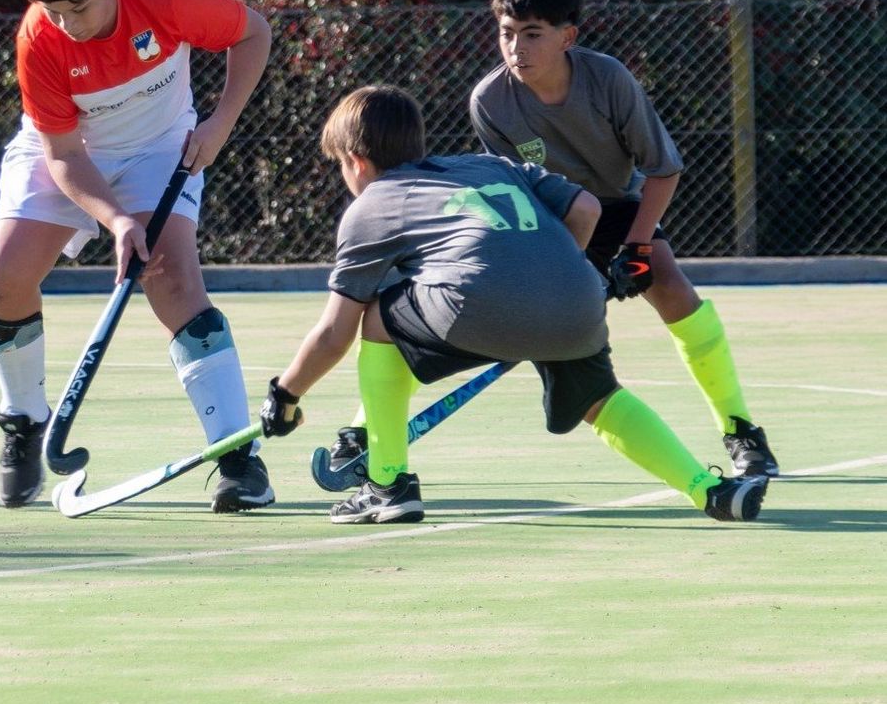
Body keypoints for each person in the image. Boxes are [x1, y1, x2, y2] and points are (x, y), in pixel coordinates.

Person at [258, 86, 768, 525]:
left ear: (357, 163)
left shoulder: (371, 205)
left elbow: (334, 333)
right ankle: (710, 491)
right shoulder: (489, 164)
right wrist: (550, 281)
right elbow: (586, 207)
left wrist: (285, 396)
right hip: (576, 299)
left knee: (377, 320)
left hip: (469, 311)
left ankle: (389, 485)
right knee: (602, 401)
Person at [0, 0, 274, 513]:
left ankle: (238, 460)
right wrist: (116, 220)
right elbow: (62, 155)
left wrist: (220, 123)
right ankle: (25, 420)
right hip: (68, 149)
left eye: (78, 10)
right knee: (6, 278)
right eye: (54, 13)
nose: (66, 24)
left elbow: (254, 32)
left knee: (173, 277)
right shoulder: (40, 37)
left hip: (156, 148)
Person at [463, 0, 778, 477]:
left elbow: (663, 169)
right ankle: (369, 433)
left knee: (673, 286)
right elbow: (519, 195)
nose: (516, 48)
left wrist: (635, 250)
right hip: (551, 219)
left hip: (617, 204)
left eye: (532, 35)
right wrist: (561, 267)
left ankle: (741, 431)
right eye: (506, 34)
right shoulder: (490, 102)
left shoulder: (607, 79)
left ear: (568, 36)